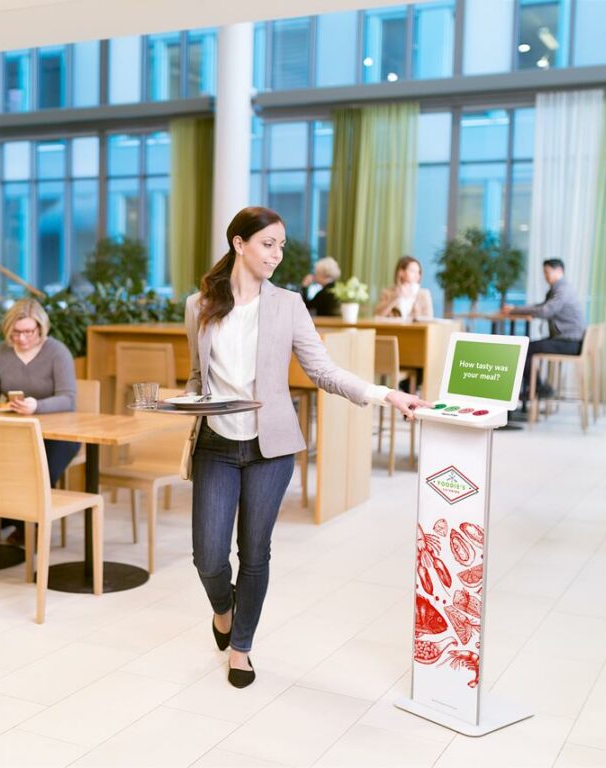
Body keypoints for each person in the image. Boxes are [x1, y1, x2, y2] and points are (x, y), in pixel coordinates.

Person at [184, 207, 427, 689]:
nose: (277, 254)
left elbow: (323, 370)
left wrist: (383, 394)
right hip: (215, 441)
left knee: (254, 552)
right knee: (208, 556)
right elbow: (198, 375)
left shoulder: (289, 305)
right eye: (267, 244)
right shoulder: (199, 305)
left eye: (281, 246)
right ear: (239, 244)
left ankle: (241, 648)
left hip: (269, 446)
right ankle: (223, 610)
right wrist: (182, 403)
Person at [0, 299, 80, 541]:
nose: (21, 338)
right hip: (17, 432)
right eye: (16, 332)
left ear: (40, 329)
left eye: (28, 332)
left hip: (60, 435)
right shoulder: (2, 353)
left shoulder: (57, 352)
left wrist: (37, 406)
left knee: (39, 467)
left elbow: (68, 399)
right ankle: (9, 513)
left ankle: (28, 525)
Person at [501, 258, 587, 399]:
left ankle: (539, 388)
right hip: (568, 340)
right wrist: (515, 310)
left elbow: (545, 311)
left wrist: (514, 310)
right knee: (526, 346)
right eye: (544, 272)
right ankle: (538, 388)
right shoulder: (558, 289)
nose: (545, 276)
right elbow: (541, 306)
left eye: (547, 272)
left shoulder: (562, 290)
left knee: (523, 348)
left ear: (559, 271)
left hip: (569, 343)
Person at [374, 256, 434, 320]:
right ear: (401, 272)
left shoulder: (423, 294)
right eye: (412, 271)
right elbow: (377, 316)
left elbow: (428, 319)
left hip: (416, 329)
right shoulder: (387, 293)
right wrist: (396, 297)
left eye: (418, 272)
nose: (417, 275)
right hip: (392, 329)